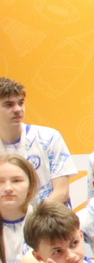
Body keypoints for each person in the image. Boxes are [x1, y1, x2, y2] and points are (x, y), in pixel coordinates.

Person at [0, 77, 75, 207]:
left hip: (49, 216)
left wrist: (34, 216)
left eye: (20, 103)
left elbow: (62, 192)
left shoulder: (49, 137)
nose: (18, 109)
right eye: (9, 105)